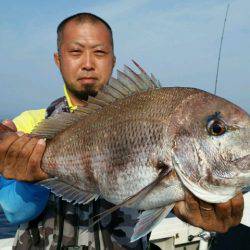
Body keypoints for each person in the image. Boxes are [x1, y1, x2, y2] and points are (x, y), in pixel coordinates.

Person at [0, 13, 244, 249]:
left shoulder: (145, 108)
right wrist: (30, 179)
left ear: (113, 60)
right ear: (58, 59)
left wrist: (184, 205)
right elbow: (13, 211)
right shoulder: (29, 126)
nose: (87, 63)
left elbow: (162, 195)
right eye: (75, 51)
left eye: (99, 52)